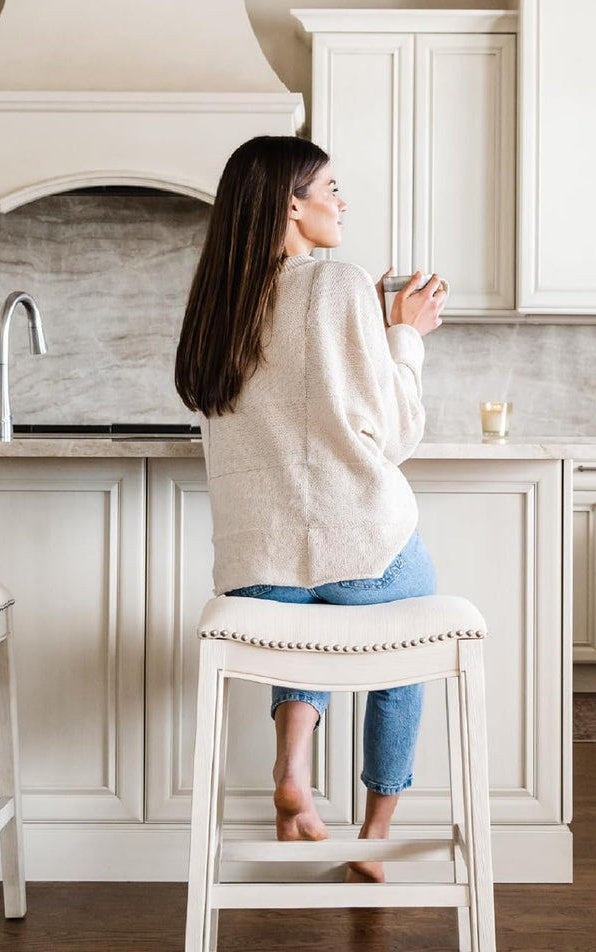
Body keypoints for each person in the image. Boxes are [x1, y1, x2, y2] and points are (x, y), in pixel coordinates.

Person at [174, 135, 446, 882]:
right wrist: (405, 336)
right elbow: (395, 430)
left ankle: (292, 767)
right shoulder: (337, 283)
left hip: (255, 570)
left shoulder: (216, 305)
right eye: (330, 188)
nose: (341, 201)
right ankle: (374, 839)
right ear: (290, 205)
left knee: (304, 619)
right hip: (363, 549)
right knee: (406, 644)